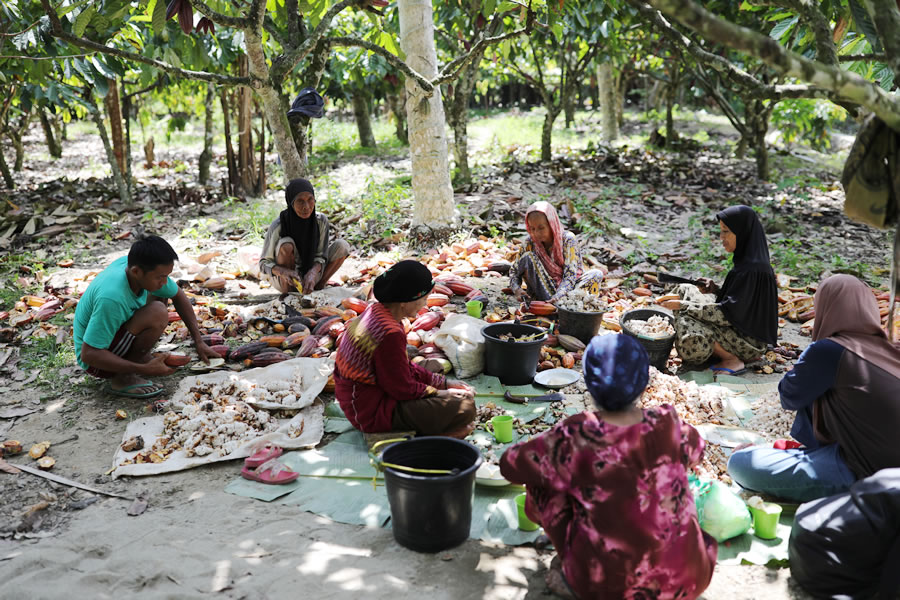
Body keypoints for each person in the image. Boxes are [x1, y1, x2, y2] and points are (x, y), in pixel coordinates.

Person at [500, 334, 717, 599]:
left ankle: (571, 569)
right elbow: (698, 450)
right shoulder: (667, 422)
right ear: (645, 383)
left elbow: (511, 466)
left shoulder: (576, 436)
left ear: (589, 385)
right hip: (689, 578)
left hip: (608, 586)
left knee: (541, 478)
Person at [727, 274, 900, 502]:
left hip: (864, 472)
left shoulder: (829, 350)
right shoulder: (890, 349)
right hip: (884, 467)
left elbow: (788, 396)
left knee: (740, 463)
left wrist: (807, 363)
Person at [333, 260, 476, 437]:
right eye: (423, 299)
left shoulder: (377, 311)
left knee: (429, 369)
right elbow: (401, 388)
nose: (425, 305)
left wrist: (444, 382)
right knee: (465, 407)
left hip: (365, 396)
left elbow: (403, 368)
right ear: (405, 302)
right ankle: (429, 439)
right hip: (369, 411)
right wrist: (440, 393)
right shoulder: (390, 333)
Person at [73, 235, 217, 399]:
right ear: (136, 271)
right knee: (157, 311)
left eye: (166, 276)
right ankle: (123, 378)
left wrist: (198, 341)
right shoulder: (112, 298)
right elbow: (89, 354)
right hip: (96, 361)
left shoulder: (133, 266)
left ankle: (137, 358)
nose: (165, 282)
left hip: (110, 338)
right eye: (160, 277)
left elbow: (178, 295)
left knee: (161, 296)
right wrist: (143, 370)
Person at [661, 205, 777, 374]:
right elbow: (741, 302)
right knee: (684, 288)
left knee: (686, 324)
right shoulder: (749, 261)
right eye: (721, 231)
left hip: (748, 343)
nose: (721, 237)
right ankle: (719, 348)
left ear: (742, 232)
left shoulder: (753, 269)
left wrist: (684, 306)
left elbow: (728, 315)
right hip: (736, 328)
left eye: (726, 231)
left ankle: (731, 359)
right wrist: (716, 290)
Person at [258, 177, 350, 294]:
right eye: (300, 201)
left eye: (310, 199)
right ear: (291, 203)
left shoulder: (320, 221)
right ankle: (289, 293)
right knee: (286, 244)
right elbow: (263, 264)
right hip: (285, 278)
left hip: (311, 275)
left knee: (342, 246)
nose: (306, 206)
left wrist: (313, 272)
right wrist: (283, 272)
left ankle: (317, 287)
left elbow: (321, 256)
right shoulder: (279, 225)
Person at [509, 201, 604, 304]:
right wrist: (517, 289)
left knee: (596, 274)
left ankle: (566, 306)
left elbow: (570, 276)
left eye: (541, 228)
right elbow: (514, 271)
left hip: (568, 292)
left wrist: (559, 295)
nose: (536, 233)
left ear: (551, 224)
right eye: (532, 228)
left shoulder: (567, 240)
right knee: (528, 257)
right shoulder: (530, 242)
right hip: (543, 292)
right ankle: (554, 306)